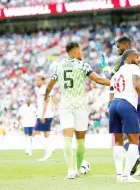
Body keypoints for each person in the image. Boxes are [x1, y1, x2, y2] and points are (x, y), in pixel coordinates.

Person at [43, 41, 110, 179]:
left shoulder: (59, 66)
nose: (82, 53)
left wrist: (46, 95)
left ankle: (70, 171)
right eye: (80, 50)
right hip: (80, 107)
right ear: (74, 52)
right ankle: (78, 169)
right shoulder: (83, 65)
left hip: (66, 106)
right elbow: (98, 80)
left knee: (67, 139)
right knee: (80, 141)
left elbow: (50, 85)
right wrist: (117, 82)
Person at [98, 36, 140, 176]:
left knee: (125, 136)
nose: (117, 49)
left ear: (125, 45)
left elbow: (111, 78)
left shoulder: (123, 60)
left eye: (118, 46)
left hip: (128, 100)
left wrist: (104, 68)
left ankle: (131, 159)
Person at [109, 49, 140, 182]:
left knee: (118, 141)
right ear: (128, 59)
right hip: (127, 104)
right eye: (136, 57)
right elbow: (137, 85)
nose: (139, 59)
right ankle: (126, 176)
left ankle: (119, 175)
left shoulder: (119, 71)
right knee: (134, 141)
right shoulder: (134, 68)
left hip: (114, 104)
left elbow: (111, 86)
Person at [33, 75, 54, 161]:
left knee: (35, 133)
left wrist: (42, 115)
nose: (36, 82)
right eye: (36, 80)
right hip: (47, 114)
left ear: (42, 81)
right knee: (46, 135)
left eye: (38, 80)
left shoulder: (43, 90)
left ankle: (49, 149)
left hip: (44, 115)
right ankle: (48, 151)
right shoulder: (42, 89)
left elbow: (46, 102)